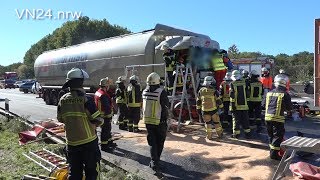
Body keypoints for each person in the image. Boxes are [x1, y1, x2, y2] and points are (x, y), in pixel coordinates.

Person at [57, 68, 103, 179]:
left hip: (72, 143)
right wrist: (101, 121)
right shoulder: (86, 99)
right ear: (81, 82)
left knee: (75, 173)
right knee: (92, 173)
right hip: (88, 143)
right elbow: (97, 119)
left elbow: (60, 119)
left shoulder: (62, 100)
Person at [142, 72, 169, 172]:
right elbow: (166, 107)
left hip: (148, 122)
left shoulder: (144, 91)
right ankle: (156, 164)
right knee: (160, 143)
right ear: (158, 82)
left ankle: (153, 162)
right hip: (159, 122)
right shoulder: (161, 92)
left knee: (152, 143)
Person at [261, 75, 293, 160]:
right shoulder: (285, 94)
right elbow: (289, 108)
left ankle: (272, 152)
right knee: (277, 136)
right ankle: (274, 155)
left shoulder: (269, 93)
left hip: (267, 118)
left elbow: (263, 105)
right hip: (278, 119)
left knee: (271, 136)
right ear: (285, 83)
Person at [94, 77, 117, 152]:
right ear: (106, 86)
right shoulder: (103, 95)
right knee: (105, 131)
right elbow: (107, 107)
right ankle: (104, 146)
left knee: (108, 130)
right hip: (105, 116)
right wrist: (110, 115)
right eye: (108, 86)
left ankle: (109, 142)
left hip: (101, 115)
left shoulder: (98, 92)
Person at [229, 70, 251, 139]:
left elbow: (232, 96)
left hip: (236, 106)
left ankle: (236, 134)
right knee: (245, 120)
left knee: (236, 120)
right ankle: (247, 134)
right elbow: (248, 94)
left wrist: (232, 105)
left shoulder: (232, 83)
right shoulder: (244, 82)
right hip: (244, 106)